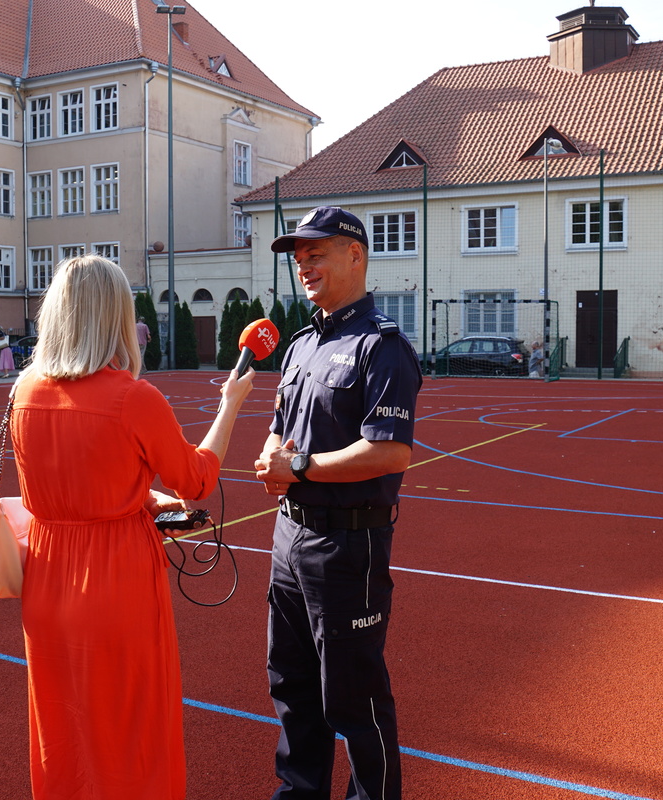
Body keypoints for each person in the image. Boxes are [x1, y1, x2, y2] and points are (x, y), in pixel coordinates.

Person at [9, 254, 254, 800]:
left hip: (46, 578)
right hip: (115, 581)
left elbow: (68, 479)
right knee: (132, 731)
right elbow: (195, 480)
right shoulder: (132, 398)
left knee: (62, 728)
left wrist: (137, 495)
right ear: (117, 318)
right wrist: (230, 406)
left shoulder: (24, 391)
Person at [253, 206, 422, 800]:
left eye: (316, 253)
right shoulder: (301, 345)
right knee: (293, 689)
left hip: (349, 546)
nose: (304, 265)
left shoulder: (383, 347)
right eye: (299, 257)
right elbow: (280, 424)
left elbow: (390, 452)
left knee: (355, 699)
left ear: (356, 254)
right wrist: (274, 454)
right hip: (289, 540)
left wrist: (296, 467)